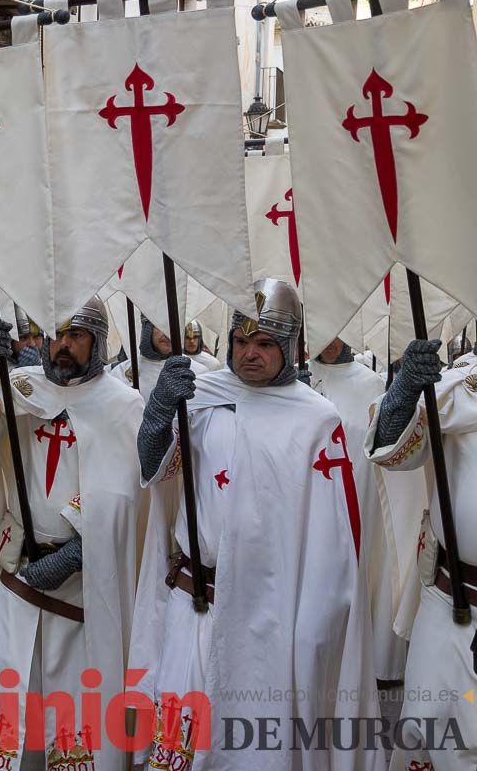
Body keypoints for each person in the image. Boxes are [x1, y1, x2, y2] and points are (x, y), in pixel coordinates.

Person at [130, 279, 379, 770]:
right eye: (241, 341)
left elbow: (332, 543)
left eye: (264, 343)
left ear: (289, 346)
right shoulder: (200, 398)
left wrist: (314, 629)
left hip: (269, 617)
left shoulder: (316, 420)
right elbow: (154, 469)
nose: (250, 353)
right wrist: (159, 413)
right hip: (195, 604)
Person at [0, 297, 147, 770]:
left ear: (97, 342)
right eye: (55, 333)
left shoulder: (121, 405)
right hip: (18, 577)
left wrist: (78, 549)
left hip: (82, 590)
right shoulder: (20, 386)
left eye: (76, 336)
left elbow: (126, 495)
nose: (62, 346)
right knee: (11, 717)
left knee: (73, 717)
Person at [367, 338, 477, 771]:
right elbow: (395, 451)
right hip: (453, 603)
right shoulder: (463, 385)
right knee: (427, 731)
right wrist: (403, 394)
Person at [312, 338, 426, 685]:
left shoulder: (369, 383)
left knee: (361, 569)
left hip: (358, 497)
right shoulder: (299, 380)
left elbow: (381, 445)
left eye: (337, 333)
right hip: (311, 500)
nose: (329, 343)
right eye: (323, 333)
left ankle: (364, 661)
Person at [109, 316, 207, 400]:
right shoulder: (120, 373)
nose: (167, 334)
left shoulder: (198, 372)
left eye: (173, 327)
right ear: (148, 328)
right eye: (161, 326)